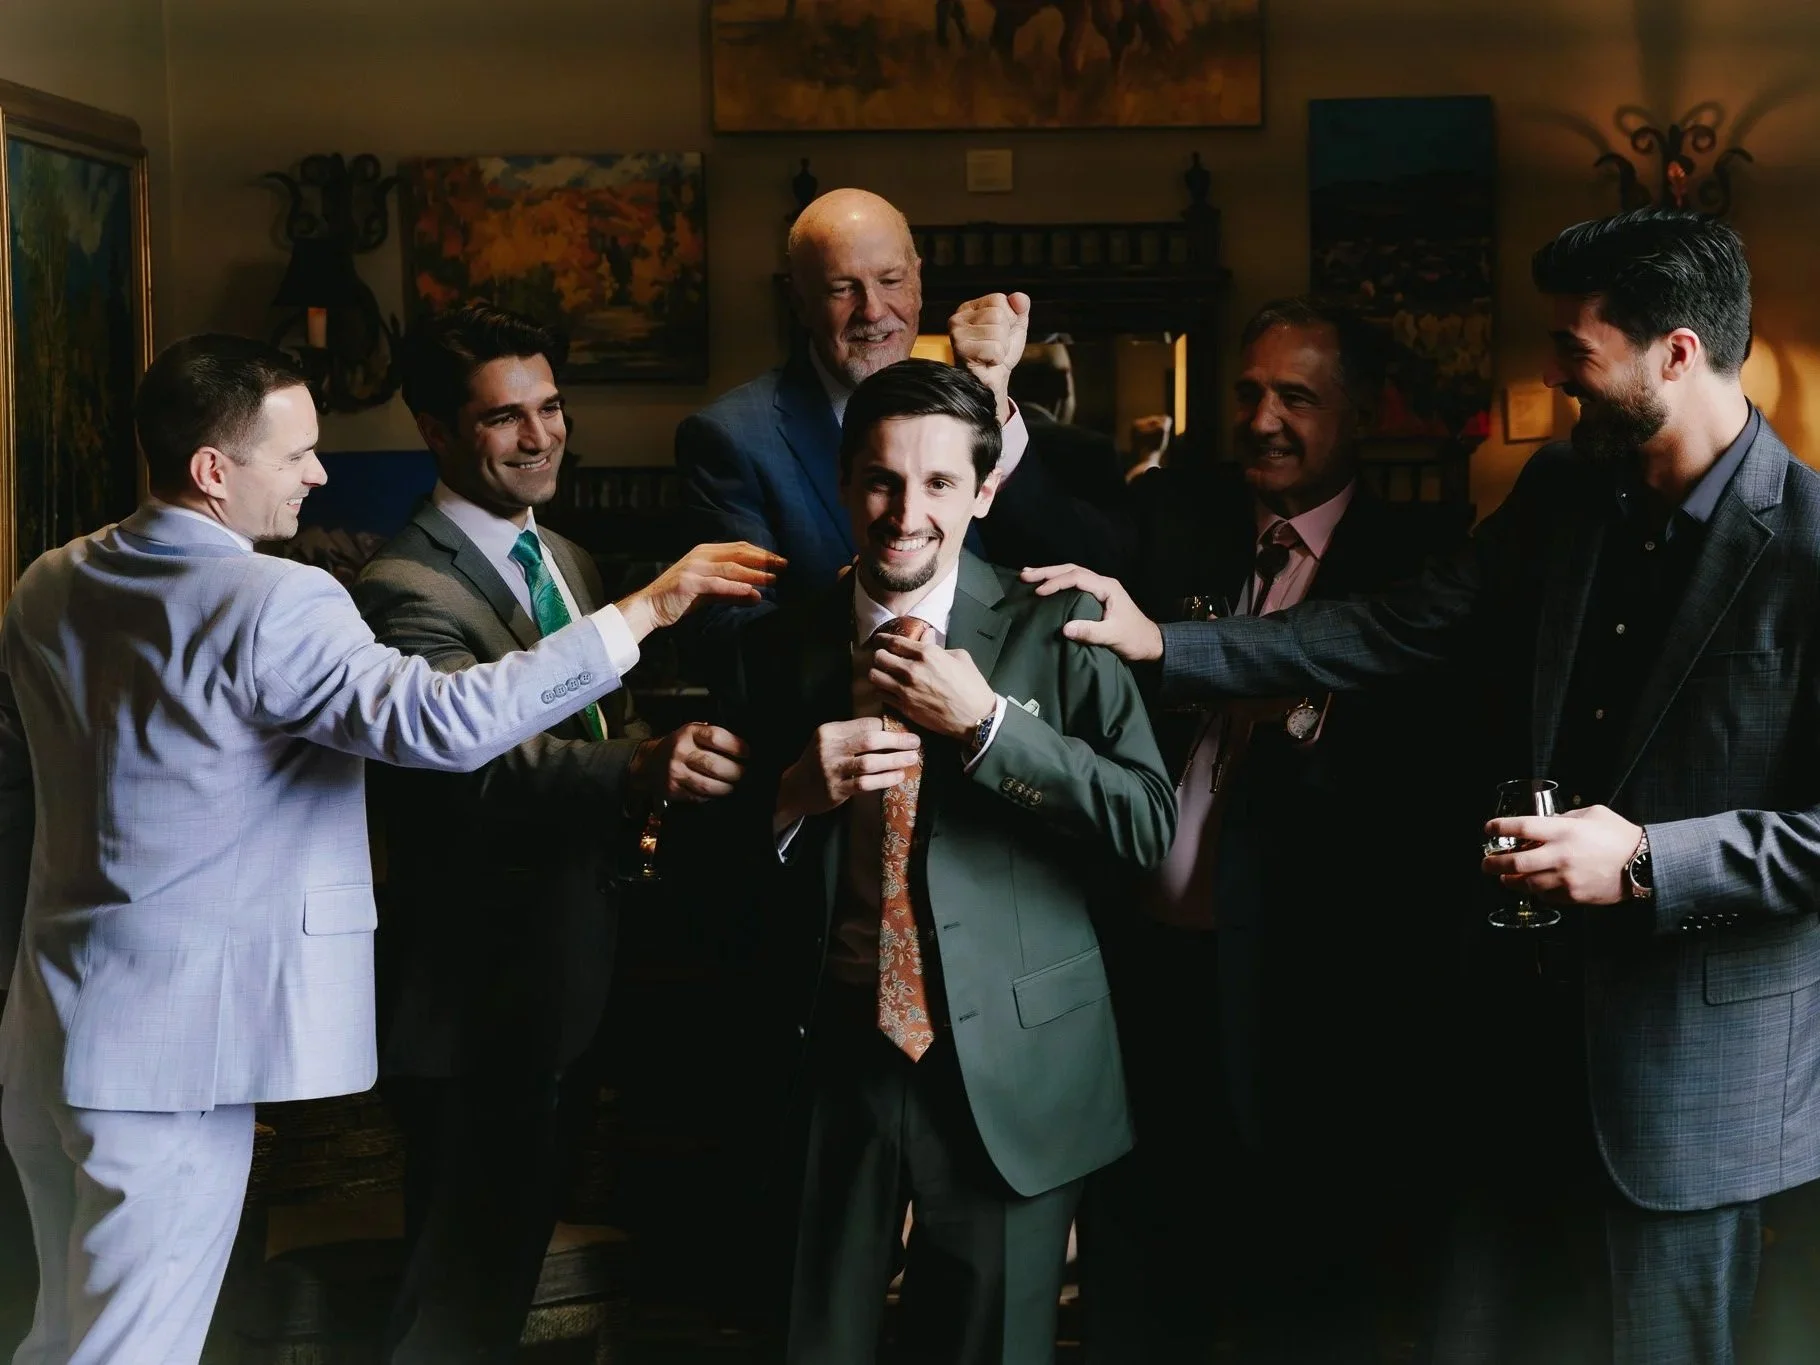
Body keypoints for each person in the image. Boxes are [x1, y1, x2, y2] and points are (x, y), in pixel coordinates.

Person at [1028, 208, 1820, 1364]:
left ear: (1677, 354)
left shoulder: (1806, 547)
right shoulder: (1561, 491)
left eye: (1575, 352)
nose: (1550, 379)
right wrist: (1168, 646)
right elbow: (1404, 625)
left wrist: (1645, 860)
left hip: (1691, 1093)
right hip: (1503, 1051)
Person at [0, 334, 775, 1365]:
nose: (320, 473)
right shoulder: (271, 604)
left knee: (59, 1334)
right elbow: (441, 725)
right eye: (296, 454)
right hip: (176, 1058)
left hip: (54, 1026)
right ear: (212, 471)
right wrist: (646, 610)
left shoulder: (50, 580)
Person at [990, 296, 1471, 1362]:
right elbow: (1064, 540)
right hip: (1136, 953)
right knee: (1133, 1239)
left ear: (1355, 416)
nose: (1262, 419)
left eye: (1295, 397)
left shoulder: (1416, 555)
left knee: (1284, 1260)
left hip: (1302, 982)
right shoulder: (1182, 515)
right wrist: (995, 410)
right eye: (1249, 393)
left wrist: (1298, 705)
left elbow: (1424, 773)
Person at [721, 359, 1175, 1364]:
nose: (903, 512)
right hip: (831, 1058)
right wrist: (789, 795)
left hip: (1015, 1063)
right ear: (844, 485)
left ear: (983, 490)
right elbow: (714, 874)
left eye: (936, 484)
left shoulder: (1062, 625)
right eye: (881, 480)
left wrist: (987, 732)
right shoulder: (775, 650)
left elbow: (1148, 822)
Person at [350, 305, 753, 1363]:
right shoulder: (401, 587)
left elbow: (577, 716)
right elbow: (462, 769)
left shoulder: (561, 553)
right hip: (477, 1002)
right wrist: (636, 767)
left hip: (574, 977)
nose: (541, 438)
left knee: (502, 1283)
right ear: (435, 432)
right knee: (454, 1304)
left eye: (550, 407)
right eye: (504, 420)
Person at [676, 187, 1032, 647]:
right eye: (843, 289)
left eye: (890, 281)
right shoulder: (730, 437)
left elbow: (1048, 569)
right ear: (800, 301)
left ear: (918, 281)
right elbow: (726, 636)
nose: (874, 310)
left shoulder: (980, 407)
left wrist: (993, 400)